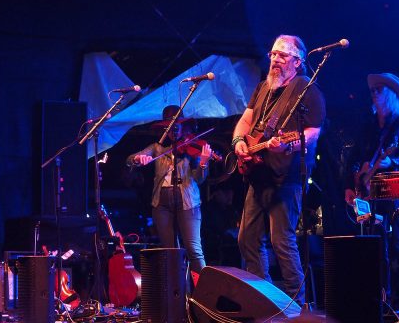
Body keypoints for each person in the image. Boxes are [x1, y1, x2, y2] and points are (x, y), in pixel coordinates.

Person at [232, 34, 326, 306]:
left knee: (281, 241)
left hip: (286, 177)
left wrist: (287, 146)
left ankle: (299, 305)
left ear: (298, 61)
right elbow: (246, 120)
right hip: (258, 174)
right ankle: (265, 300)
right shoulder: (263, 87)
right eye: (273, 54)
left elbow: (312, 133)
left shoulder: (306, 89)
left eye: (282, 55)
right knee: (247, 239)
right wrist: (239, 140)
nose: (275, 59)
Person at [343, 73, 399, 313]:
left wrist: (390, 163)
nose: (373, 94)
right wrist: (351, 184)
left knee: (397, 246)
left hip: (392, 193)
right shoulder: (368, 126)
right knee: (372, 244)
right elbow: (354, 158)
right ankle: (378, 299)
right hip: (365, 196)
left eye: (379, 90)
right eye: (372, 91)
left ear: (391, 95)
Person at [126, 105, 211, 274]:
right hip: (161, 203)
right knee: (171, 252)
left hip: (188, 201)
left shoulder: (191, 147)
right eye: (169, 128)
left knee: (194, 250)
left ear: (183, 127)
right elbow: (129, 159)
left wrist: (203, 163)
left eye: (177, 127)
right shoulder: (157, 148)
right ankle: (178, 294)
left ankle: (205, 292)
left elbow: (199, 179)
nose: (173, 131)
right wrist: (137, 159)